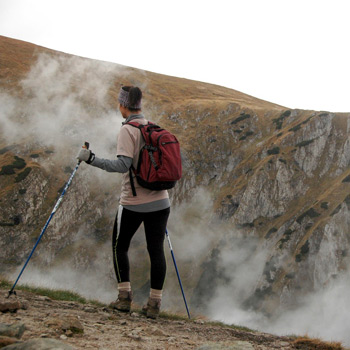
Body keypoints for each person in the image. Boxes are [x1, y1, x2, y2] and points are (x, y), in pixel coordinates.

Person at [77, 86, 170, 319]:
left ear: (123, 105)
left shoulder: (128, 130)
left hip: (133, 202)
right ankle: (154, 304)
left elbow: (122, 165)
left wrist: (92, 159)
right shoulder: (151, 128)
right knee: (156, 250)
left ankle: (124, 299)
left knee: (120, 246)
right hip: (161, 201)